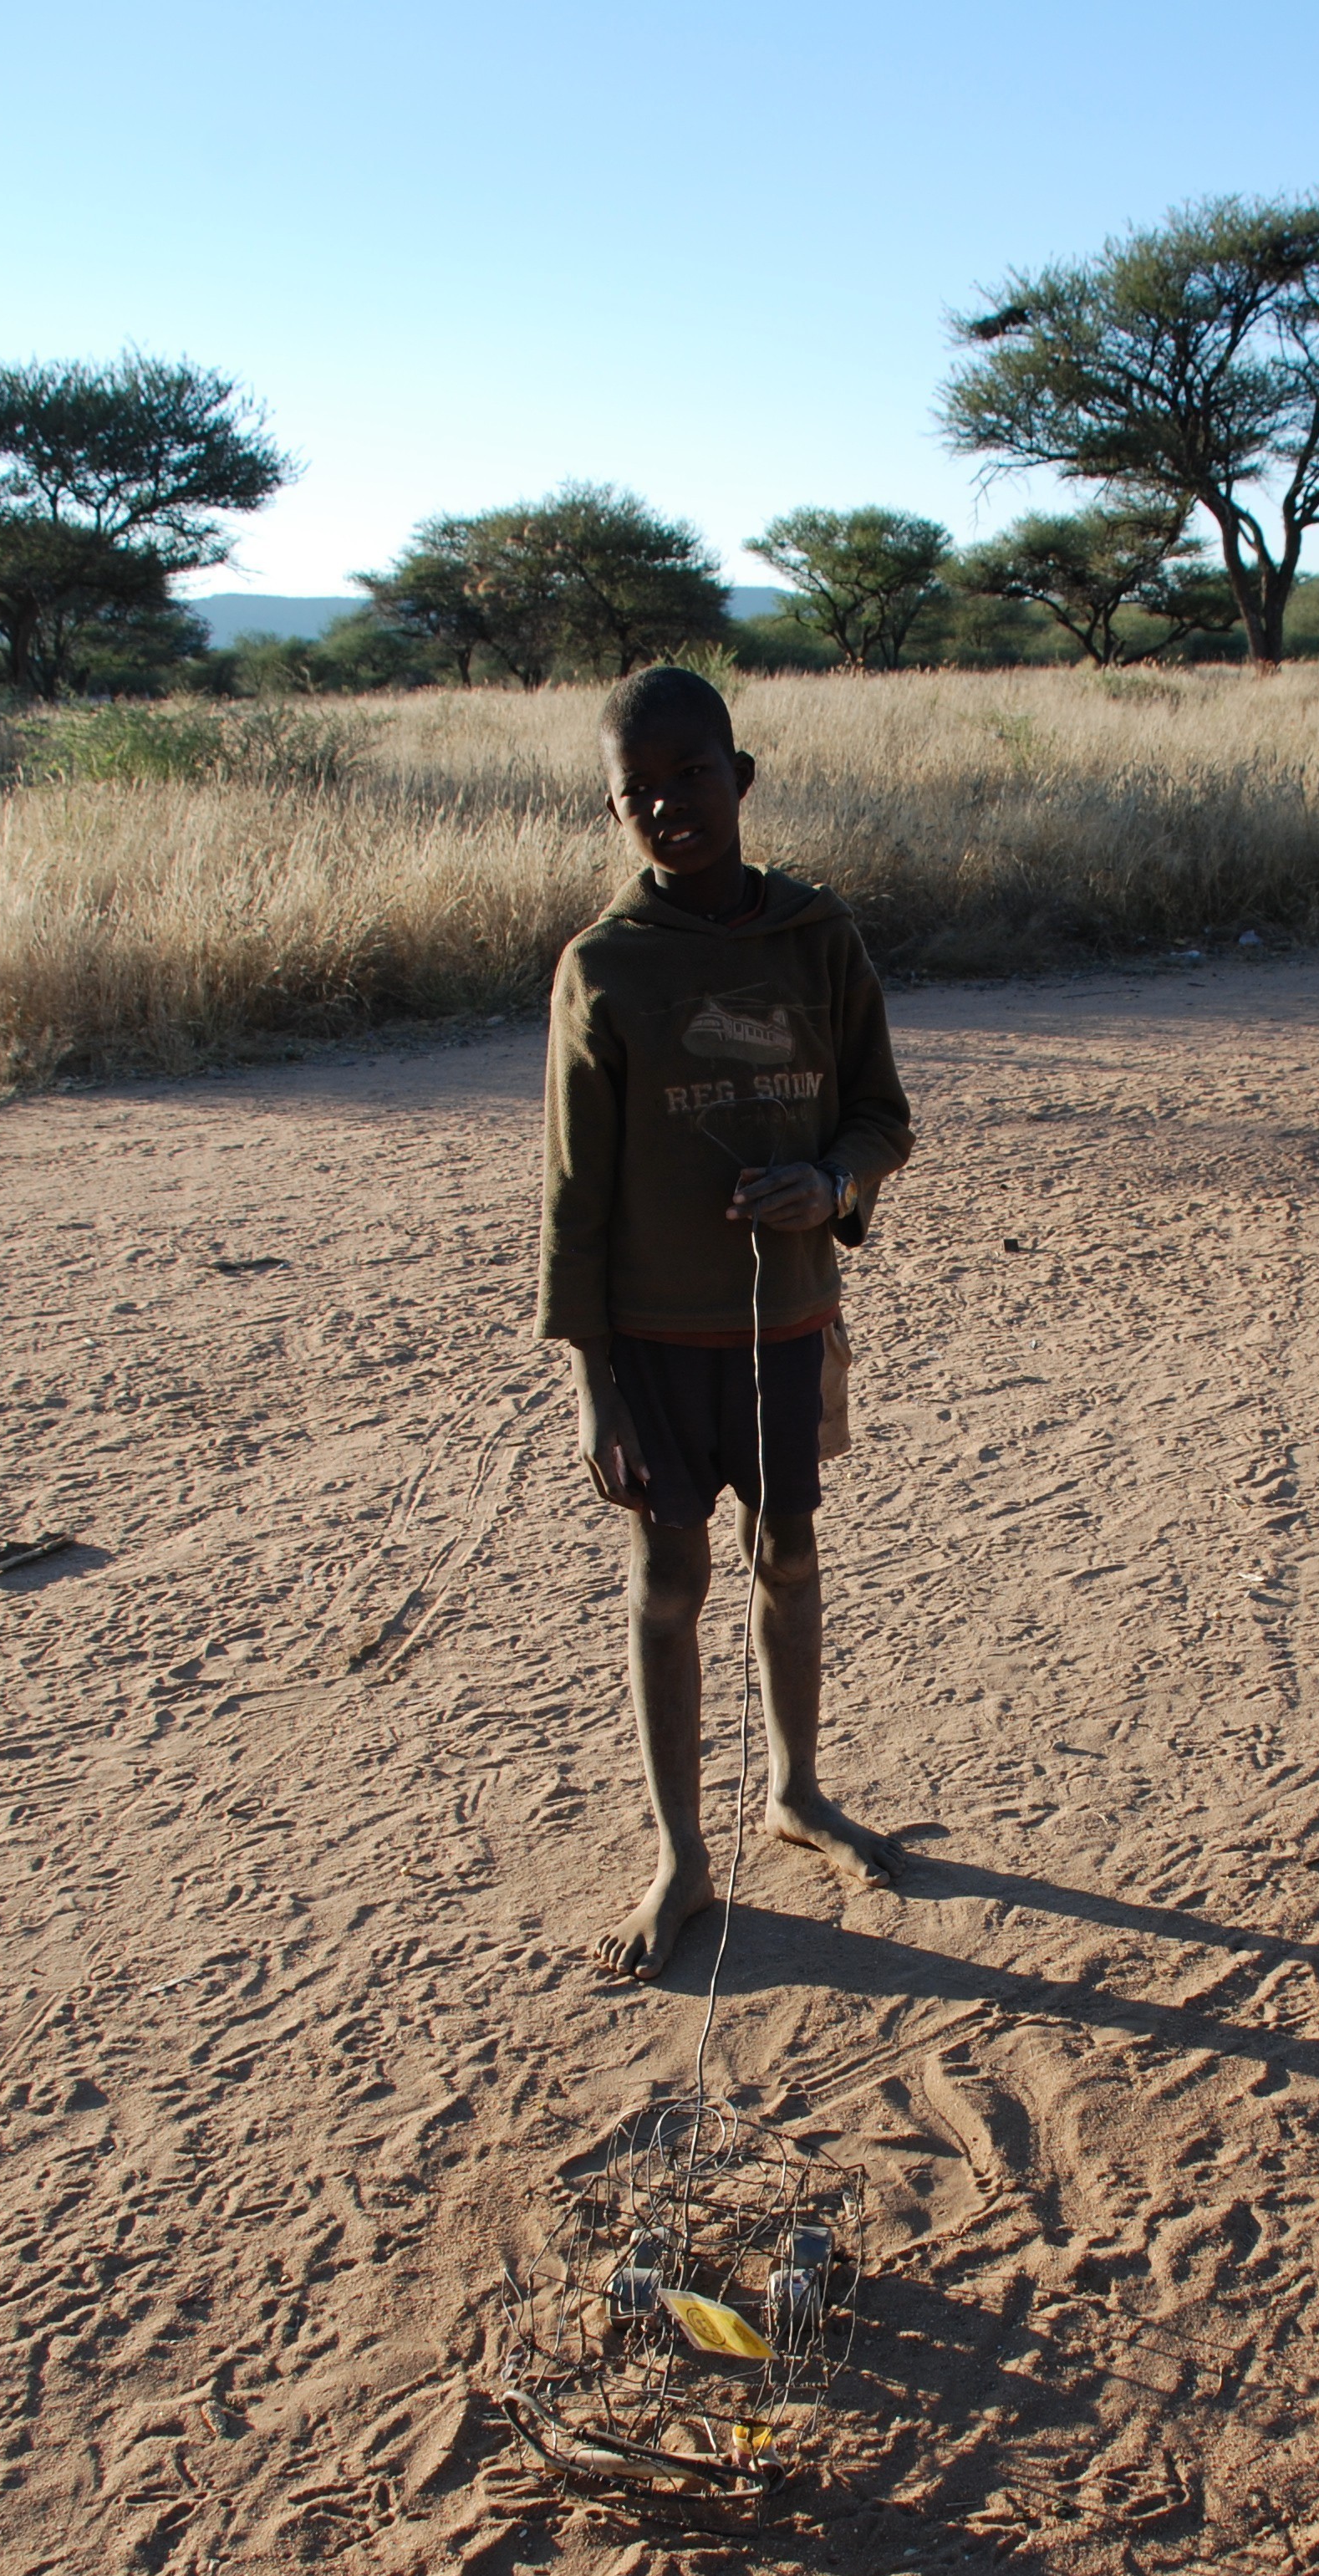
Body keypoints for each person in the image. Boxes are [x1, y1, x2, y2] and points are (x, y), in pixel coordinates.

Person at [535, 664, 916, 1982]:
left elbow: (882, 1115)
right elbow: (574, 1194)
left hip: (789, 1316)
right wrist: (594, 1384)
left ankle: (797, 1791)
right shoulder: (605, 969)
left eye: (690, 777)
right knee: (667, 1584)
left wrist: (832, 1184)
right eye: (636, 793)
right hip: (653, 1338)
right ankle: (682, 1859)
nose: (668, 807)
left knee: (791, 1557)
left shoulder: (818, 937)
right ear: (614, 812)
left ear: (740, 778)